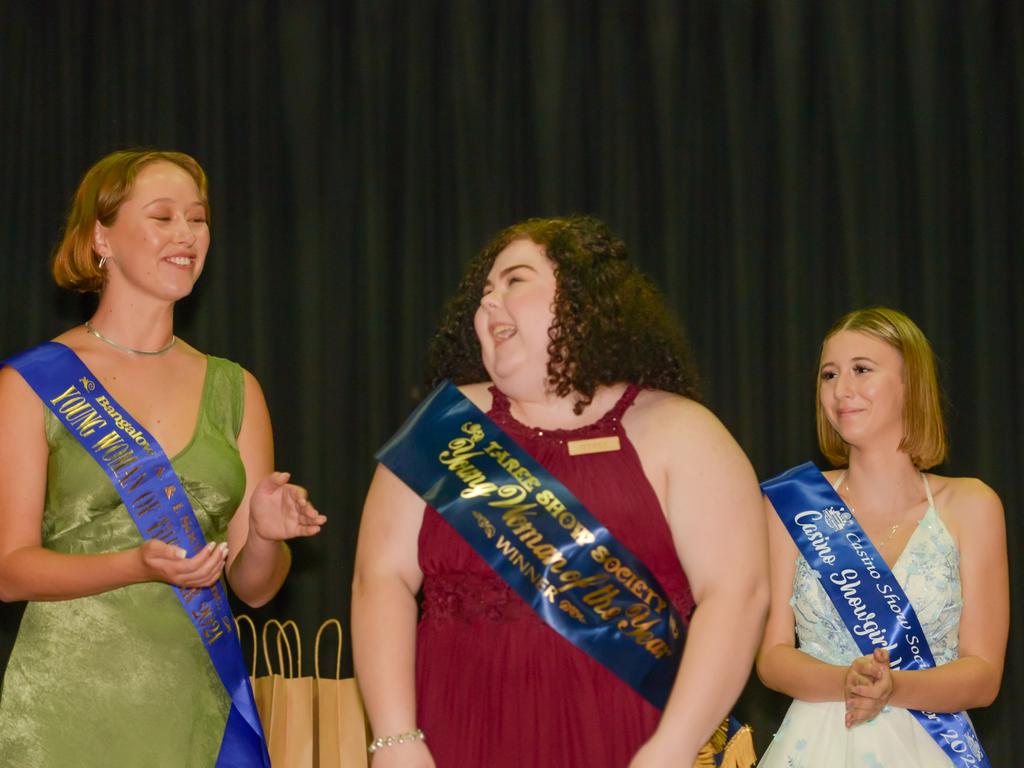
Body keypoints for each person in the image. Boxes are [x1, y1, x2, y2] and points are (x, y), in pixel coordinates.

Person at [352, 215, 767, 768]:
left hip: (632, 743)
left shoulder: (682, 432)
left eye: (515, 281)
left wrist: (673, 746)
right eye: (484, 292)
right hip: (453, 737)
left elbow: (738, 596)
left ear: (582, 299)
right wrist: (394, 739)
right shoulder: (443, 429)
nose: (489, 302)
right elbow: (378, 580)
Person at [0, 149, 326, 767]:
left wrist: (264, 533)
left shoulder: (236, 389)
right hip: (66, 711)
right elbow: (9, 570)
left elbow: (256, 589)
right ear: (102, 236)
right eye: (162, 217)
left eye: (197, 220)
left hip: (196, 706)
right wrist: (137, 565)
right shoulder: (33, 382)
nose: (186, 235)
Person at [756, 307, 1008, 766]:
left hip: (931, 745)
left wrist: (895, 688)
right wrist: (844, 681)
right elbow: (772, 656)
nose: (841, 389)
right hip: (814, 746)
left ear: (911, 383)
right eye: (829, 374)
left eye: (862, 370)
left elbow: (985, 674)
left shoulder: (972, 506)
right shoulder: (791, 502)